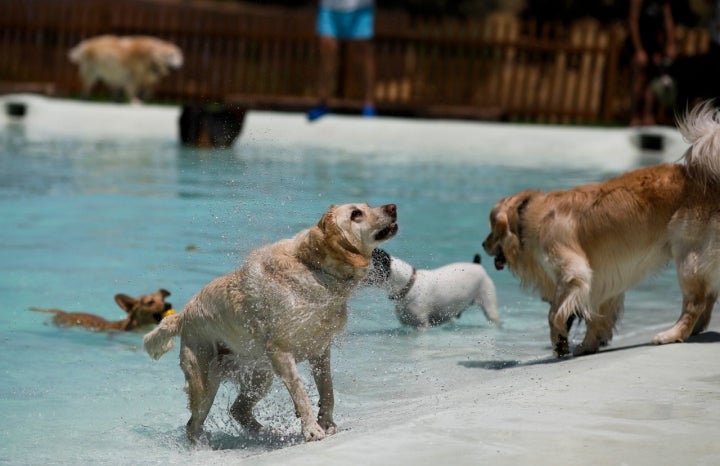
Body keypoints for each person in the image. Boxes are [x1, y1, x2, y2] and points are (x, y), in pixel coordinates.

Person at [307, 0, 376, 121]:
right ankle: (322, 102)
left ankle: (369, 104)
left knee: (363, 52)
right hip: (330, 6)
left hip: (361, 7)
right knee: (327, 51)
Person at [628, 0, 675, 126]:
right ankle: (635, 116)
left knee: (653, 80)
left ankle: (647, 115)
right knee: (639, 78)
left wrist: (670, 43)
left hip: (656, 44)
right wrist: (639, 50)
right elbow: (633, 21)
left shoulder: (663, 3)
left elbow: (668, 20)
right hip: (641, 42)